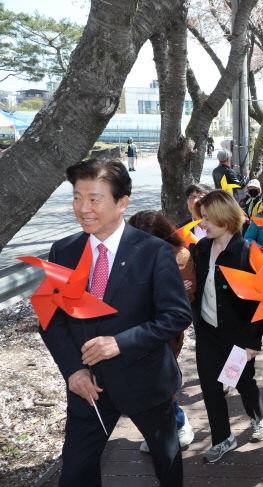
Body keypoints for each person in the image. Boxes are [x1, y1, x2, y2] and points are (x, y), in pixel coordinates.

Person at [41, 159, 192, 486]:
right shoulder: (63, 250)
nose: (83, 208)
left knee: (167, 465)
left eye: (95, 198)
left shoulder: (153, 252)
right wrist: (73, 370)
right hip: (88, 385)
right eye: (77, 197)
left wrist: (120, 343)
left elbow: (177, 316)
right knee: (76, 472)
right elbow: (50, 318)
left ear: (122, 202)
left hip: (146, 381)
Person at [192, 190, 263, 463]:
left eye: (208, 219)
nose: (203, 224)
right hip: (208, 332)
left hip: (239, 335)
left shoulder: (248, 253)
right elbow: (199, 286)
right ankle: (223, 438)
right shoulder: (200, 249)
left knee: (244, 383)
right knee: (211, 388)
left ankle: (257, 417)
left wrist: (252, 343)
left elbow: (262, 302)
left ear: (225, 219)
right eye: (202, 218)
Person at [128, 210, 197, 451]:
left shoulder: (181, 255)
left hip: (166, 330)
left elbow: (185, 296)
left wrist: (173, 286)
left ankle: (178, 424)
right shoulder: (130, 254)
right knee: (147, 382)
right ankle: (159, 429)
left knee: (160, 381)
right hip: (137, 328)